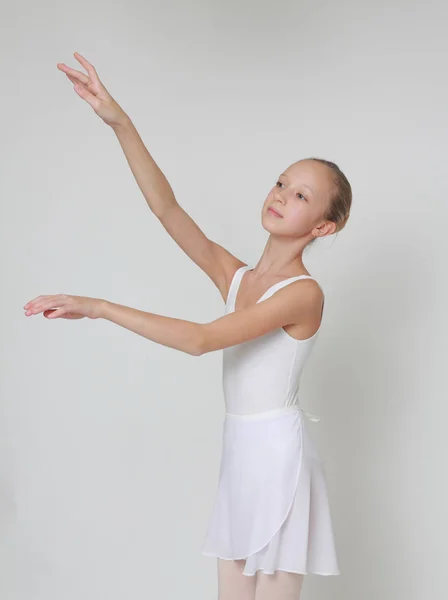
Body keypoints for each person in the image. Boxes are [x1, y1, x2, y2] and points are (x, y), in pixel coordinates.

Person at [23, 52, 352, 600]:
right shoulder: (237, 276)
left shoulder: (302, 294)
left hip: (276, 459)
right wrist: (120, 122)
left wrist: (101, 306)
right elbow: (166, 209)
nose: (280, 195)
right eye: (281, 182)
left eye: (300, 196)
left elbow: (201, 341)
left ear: (323, 225)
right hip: (240, 452)